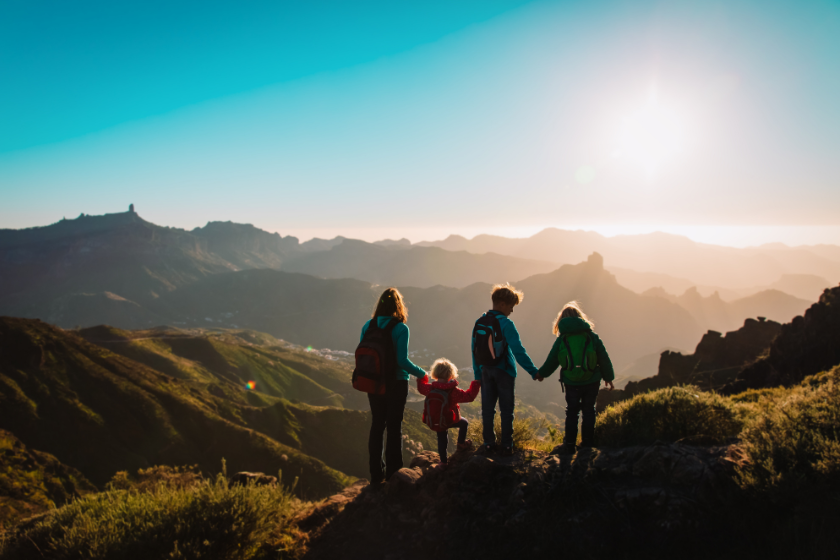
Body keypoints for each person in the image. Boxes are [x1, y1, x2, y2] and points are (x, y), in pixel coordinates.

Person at [361, 287, 427, 484]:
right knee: (394, 427)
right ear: (399, 306)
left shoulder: (369, 325)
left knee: (377, 425)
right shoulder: (400, 328)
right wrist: (422, 373)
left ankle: (375, 474)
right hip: (396, 383)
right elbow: (402, 361)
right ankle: (393, 474)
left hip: (373, 383)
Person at [471, 283, 540, 456]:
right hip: (505, 372)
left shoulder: (480, 322)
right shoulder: (506, 324)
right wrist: (533, 371)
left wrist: (477, 374)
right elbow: (518, 351)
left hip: (486, 370)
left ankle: (488, 444)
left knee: (487, 410)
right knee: (506, 411)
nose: (512, 310)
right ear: (501, 304)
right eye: (511, 306)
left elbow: (474, 350)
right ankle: (507, 446)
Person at [536, 301, 614, 453]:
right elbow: (603, 357)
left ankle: (570, 445)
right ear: (580, 317)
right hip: (592, 380)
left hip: (571, 381)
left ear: (561, 321)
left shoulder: (562, 339)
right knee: (589, 411)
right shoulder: (591, 336)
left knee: (572, 412)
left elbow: (552, 360)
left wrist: (541, 374)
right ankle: (587, 444)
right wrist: (608, 377)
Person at [417, 358, 481, 467]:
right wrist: (476, 383)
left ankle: (443, 462)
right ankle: (461, 444)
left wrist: (422, 376)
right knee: (464, 423)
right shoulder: (453, 391)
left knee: (442, 439)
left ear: (435, 374)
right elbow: (469, 397)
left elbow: (420, 387)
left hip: (436, 420)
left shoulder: (430, 388)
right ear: (451, 375)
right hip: (450, 419)